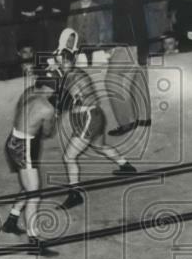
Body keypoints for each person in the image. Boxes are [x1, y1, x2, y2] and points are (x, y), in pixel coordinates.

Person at [53, 49, 137, 209]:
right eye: (59, 62)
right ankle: (126, 166)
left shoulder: (75, 76)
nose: (61, 65)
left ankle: (75, 194)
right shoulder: (71, 74)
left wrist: (57, 106)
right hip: (90, 116)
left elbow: (68, 100)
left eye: (63, 62)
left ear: (70, 61)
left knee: (68, 157)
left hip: (89, 118)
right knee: (100, 146)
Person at [0, 72, 61, 254]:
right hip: (24, 146)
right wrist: (56, 116)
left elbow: (20, 113)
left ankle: (11, 221)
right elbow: (48, 133)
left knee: (30, 186)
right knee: (35, 193)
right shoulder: (47, 108)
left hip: (16, 139)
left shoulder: (28, 92)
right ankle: (34, 242)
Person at [102, 0, 151, 137]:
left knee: (111, 80)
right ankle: (144, 118)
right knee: (138, 78)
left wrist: (141, 51)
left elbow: (139, 24)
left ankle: (126, 122)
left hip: (130, 45)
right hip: (134, 45)